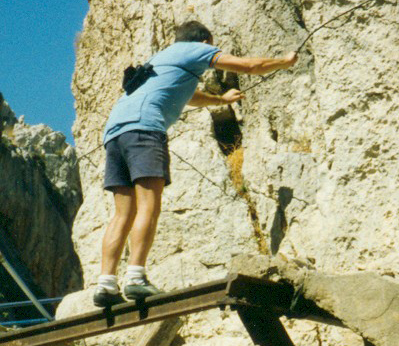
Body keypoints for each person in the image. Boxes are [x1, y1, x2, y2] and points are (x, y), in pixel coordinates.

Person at [93, 20, 299, 307]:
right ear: (204, 42)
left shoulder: (162, 58)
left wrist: (220, 100)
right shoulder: (196, 49)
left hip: (115, 134)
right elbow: (250, 66)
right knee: (149, 205)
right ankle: (136, 278)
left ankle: (105, 284)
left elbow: (189, 96)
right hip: (145, 129)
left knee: (122, 214)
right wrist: (283, 62)